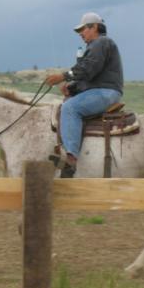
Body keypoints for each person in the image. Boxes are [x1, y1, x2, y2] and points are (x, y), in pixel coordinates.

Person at [44, 12, 124, 177]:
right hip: (101, 90)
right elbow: (90, 77)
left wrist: (63, 76)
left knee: (70, 108)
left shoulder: (101, 42)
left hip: (106, 92)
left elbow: (88, 69)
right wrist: (72, 89)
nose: (81, 33)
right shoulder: (96, 46)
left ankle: (71, 159)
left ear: (94, 27)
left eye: (83, 29)